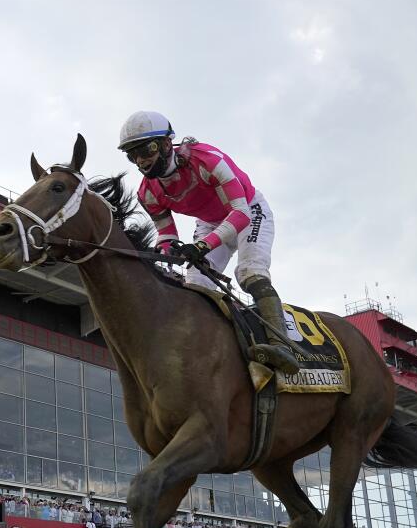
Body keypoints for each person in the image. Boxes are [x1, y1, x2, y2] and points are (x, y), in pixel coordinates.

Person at [117, 110, 299, 374]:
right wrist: (164, 254)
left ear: (167, 143)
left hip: (248, 209)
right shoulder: (148, 193)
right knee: (195, 286)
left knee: (250, 273)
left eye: (147, 149)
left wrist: (202, 247)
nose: (141, 161)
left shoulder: (207, 161)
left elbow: (240, 214)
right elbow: (167, 234)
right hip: (210, 222)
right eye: (132, 155)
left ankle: (281, 345)